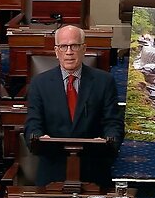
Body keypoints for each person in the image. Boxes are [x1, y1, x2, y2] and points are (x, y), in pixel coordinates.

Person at [24, 25, 124, 188]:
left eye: (74, 46)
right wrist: (39, 137)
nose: (69, 51)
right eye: (63, 46)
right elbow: (32, 123)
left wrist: (108, 141)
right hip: (53, 171)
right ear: (56, 51)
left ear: (84, 49)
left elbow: (114, 123)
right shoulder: (39, 83)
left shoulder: (104, 82)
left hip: (93, 170)